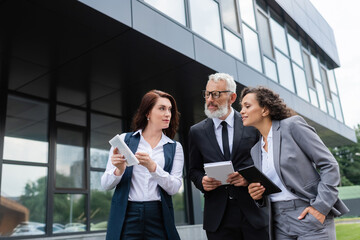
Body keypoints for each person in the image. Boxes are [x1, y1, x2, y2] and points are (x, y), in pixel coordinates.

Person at [240, 86, 349, 240]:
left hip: (308, 213)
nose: (242, 111)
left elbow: (329, 165)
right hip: (278, 222)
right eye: (242, 107)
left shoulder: (292, 126)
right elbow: (272, 187)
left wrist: (320, 207)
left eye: (247, 106)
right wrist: (257, 195)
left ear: (265, 110)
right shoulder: (255, 150)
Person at [188, 73, 269, 240]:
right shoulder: (196, 132)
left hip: (253, 213)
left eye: (216, 94)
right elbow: (193, 170)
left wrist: (249, 179)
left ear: (232, 98)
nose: (209, 99)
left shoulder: (252, 125)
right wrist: (202, 181)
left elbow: (268, 163)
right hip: (218, 218)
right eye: (207, 93)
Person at [101, 90, 184, 240]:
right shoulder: (124, 140)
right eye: (162, 108)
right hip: (127, 214)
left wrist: (153, 167)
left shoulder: (174, 147)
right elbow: (105, 184)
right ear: (147, 113)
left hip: (159, 215)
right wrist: (119, 170)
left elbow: (174, 188)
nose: (168, 114)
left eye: (170, 109)